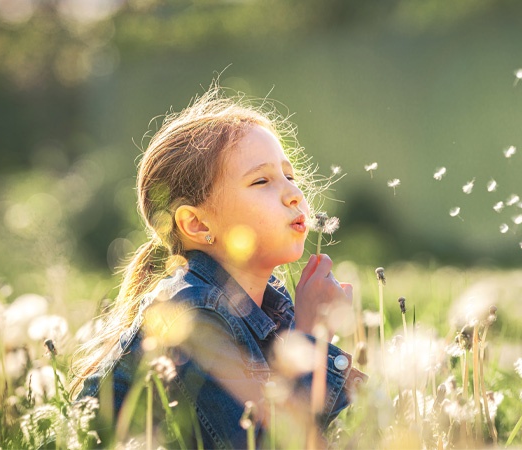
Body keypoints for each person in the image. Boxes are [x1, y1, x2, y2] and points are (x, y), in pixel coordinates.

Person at [70, 84, 366, 449]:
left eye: (289, 176)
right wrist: (313, 335)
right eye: (262, 180)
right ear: (197, 224)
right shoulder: (191, 315)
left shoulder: (267, 308)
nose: (295, 194)